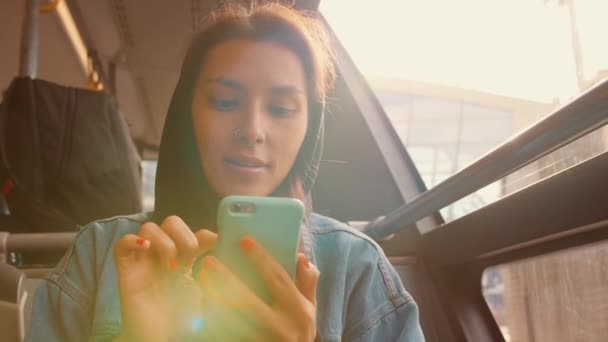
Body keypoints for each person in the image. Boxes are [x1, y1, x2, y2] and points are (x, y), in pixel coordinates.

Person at [26, 3, 424, 341]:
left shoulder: (356, 270)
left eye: (282, 108)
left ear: (310, 129)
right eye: (223, 100)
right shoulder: (101, 254)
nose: (251, 130)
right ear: (187, 114)